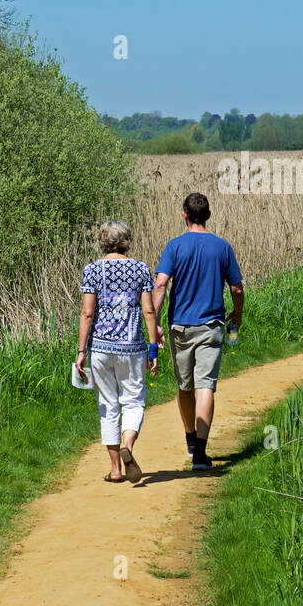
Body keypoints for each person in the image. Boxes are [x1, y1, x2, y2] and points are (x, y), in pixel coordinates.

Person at [153, 193, 244, 470]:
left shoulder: (174, 246)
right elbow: (237, 288)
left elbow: (160, 285)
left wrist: (154, 323)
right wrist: (237, 314)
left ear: (184, 215)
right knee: (206, 384)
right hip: (212, 326)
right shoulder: (222, 247)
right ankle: (202, 455)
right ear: (209, 215)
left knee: (185, 385)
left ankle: (191, 440)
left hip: (180, 326)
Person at [76, 219, 161, 483]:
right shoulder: (141, 269)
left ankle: (115, 470)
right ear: (127, 241)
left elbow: (87, 313)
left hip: (100, 348)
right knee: (133, 400)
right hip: (132, 347)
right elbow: (148, 310)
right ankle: (129, 445)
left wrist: (81, 351)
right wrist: (152, 347)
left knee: (108, 405)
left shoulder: (92, 270)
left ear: (102, 241)